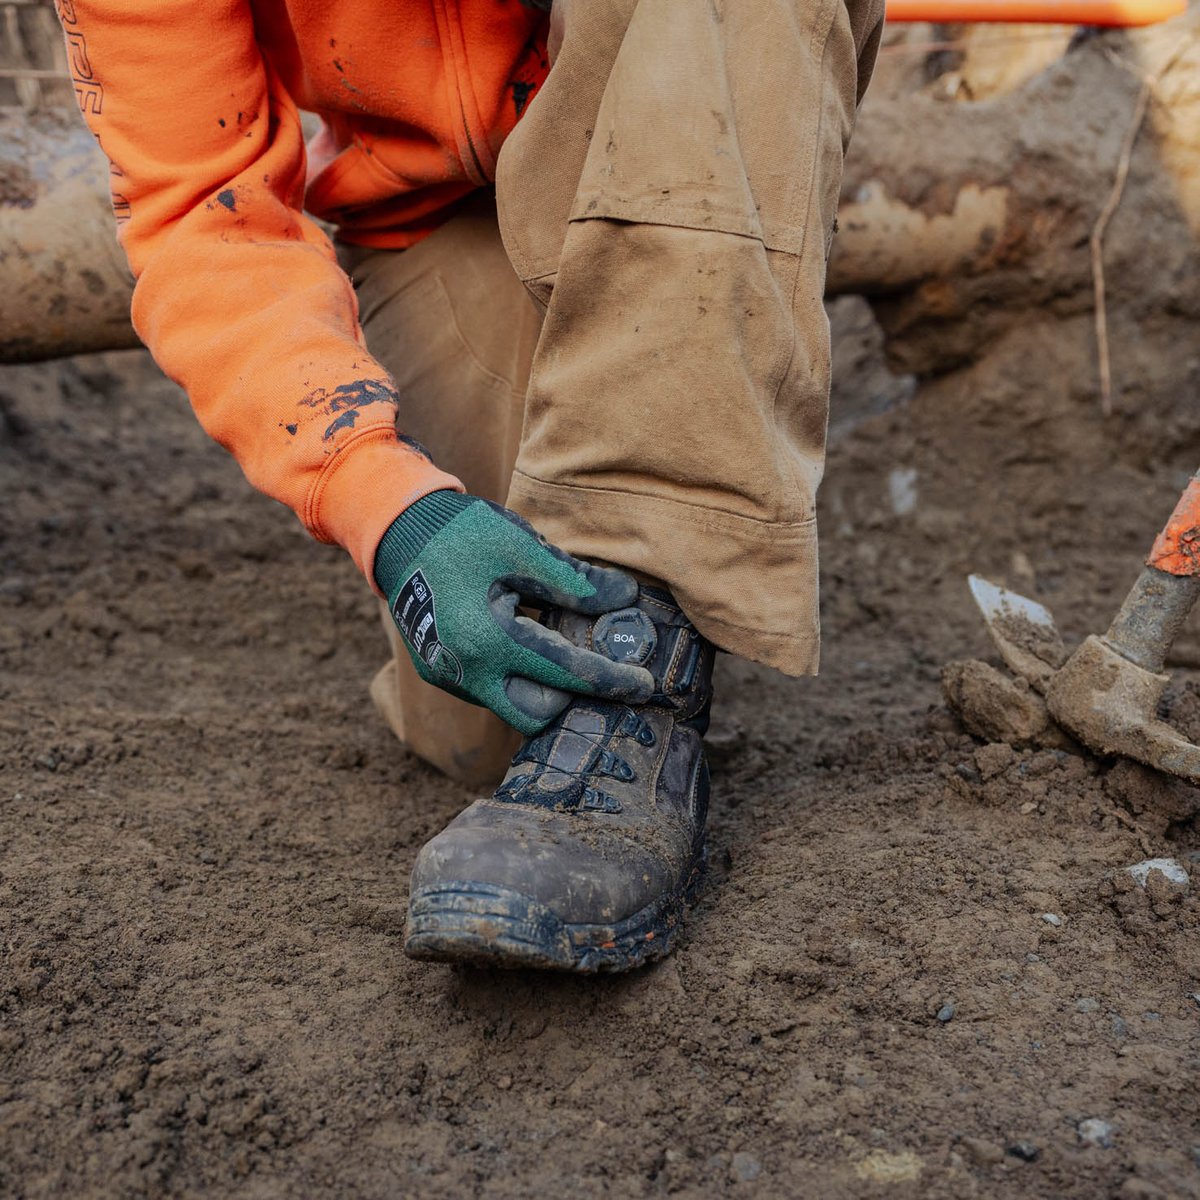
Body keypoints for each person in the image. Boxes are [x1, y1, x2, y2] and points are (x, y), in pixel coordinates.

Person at [57, 0, 885, 972]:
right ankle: (663, 557)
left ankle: (642, 672)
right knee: (496, 711)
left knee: (602, 656)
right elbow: (204, 212)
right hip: (433, 214)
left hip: (673, 98)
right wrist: (390, 508)